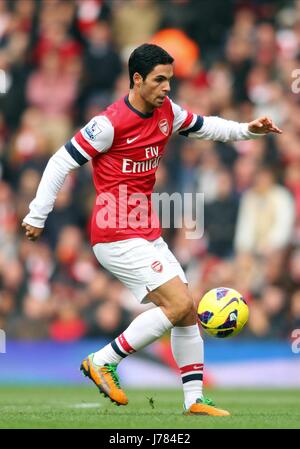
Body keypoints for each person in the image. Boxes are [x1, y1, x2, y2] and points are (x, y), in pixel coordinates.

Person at [22, 44, 282, 416]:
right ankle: (103, 360)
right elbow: (60, 161)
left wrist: (248, 130)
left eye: (170, 80)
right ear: (137, 79)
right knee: (177, 304)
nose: (167, 88)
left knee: (187, 310)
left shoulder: (167, 112)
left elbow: (206, 126)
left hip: (145, 229)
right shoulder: (109, 123)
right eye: (160, 80)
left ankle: (194, 400)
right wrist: (37, 214)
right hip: (114, 231)